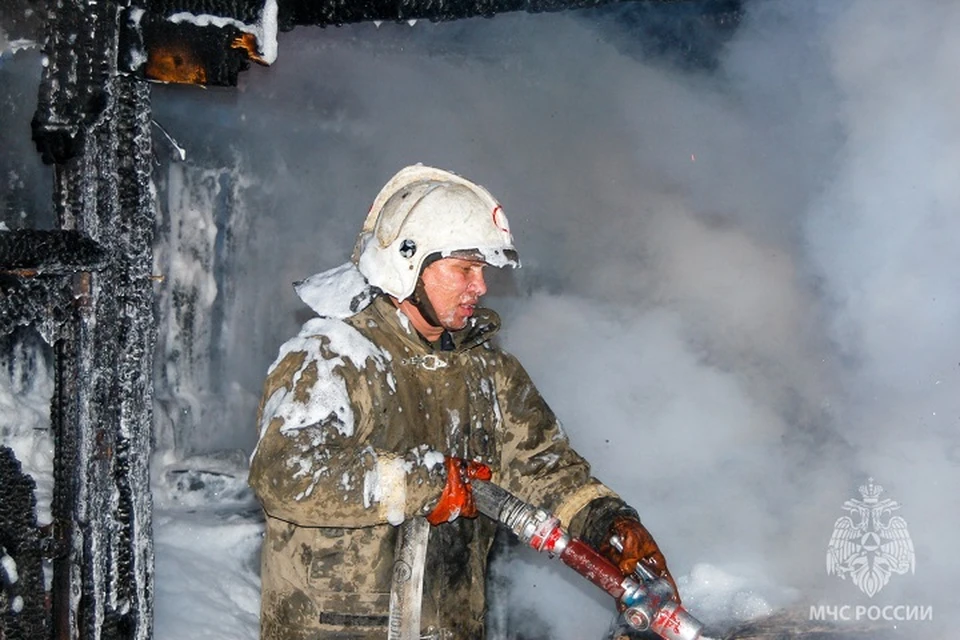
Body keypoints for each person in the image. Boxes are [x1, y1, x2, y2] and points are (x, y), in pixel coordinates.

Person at [248, 165, 679, 640]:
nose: (481, 286)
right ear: (407, 261)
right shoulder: (334, 358)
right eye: (464, 268)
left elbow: (544, 472)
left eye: (483, 270)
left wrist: (609, 526)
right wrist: (426, 483)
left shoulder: (489, 374)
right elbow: (287, 474)